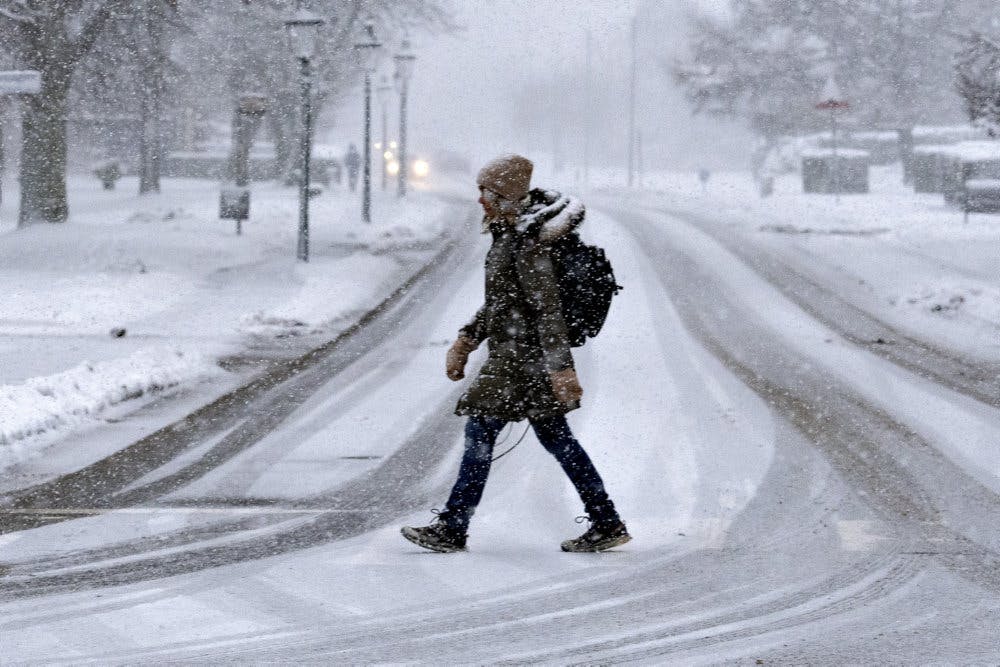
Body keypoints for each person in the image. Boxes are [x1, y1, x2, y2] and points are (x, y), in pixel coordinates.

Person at [401, 154, 630, 554]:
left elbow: (547, 310)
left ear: (505, 196)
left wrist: (561, 369)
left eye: (485, 192)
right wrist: (466, 340)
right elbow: (502, 304)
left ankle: (454, 526)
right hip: (518, 356)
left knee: (480, 433)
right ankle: (606, 520)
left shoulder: (527, 245)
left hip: (522, 360)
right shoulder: (511, 236)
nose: (479, 201)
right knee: (556, 439)